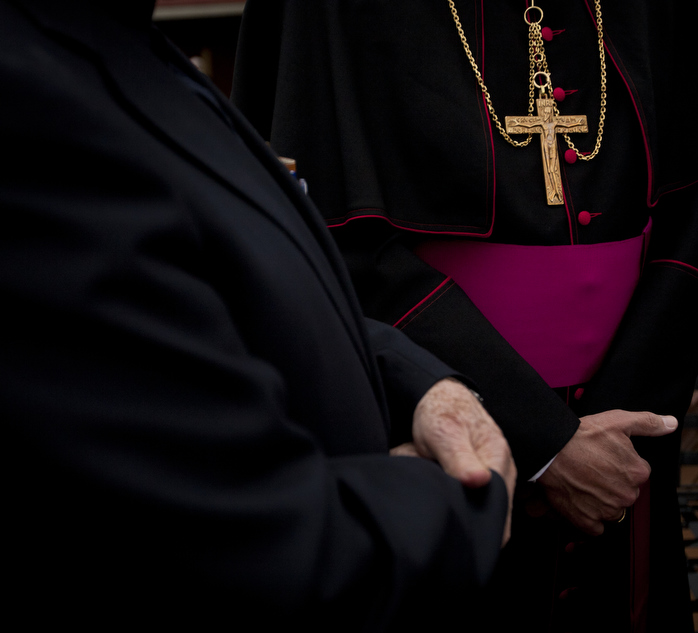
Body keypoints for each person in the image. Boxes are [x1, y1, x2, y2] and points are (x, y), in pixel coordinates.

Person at [0, 0, 532, 628]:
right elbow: (243, 549)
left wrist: (421, 386)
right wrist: (466, 496)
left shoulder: (103, 38)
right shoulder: (29, 100)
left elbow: (238, 290)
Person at [233, 1, 698, 631]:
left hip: (625, 441)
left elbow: (696, 200)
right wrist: (543, 441)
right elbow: (325, 237)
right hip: (434, 446)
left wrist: (612, 435)